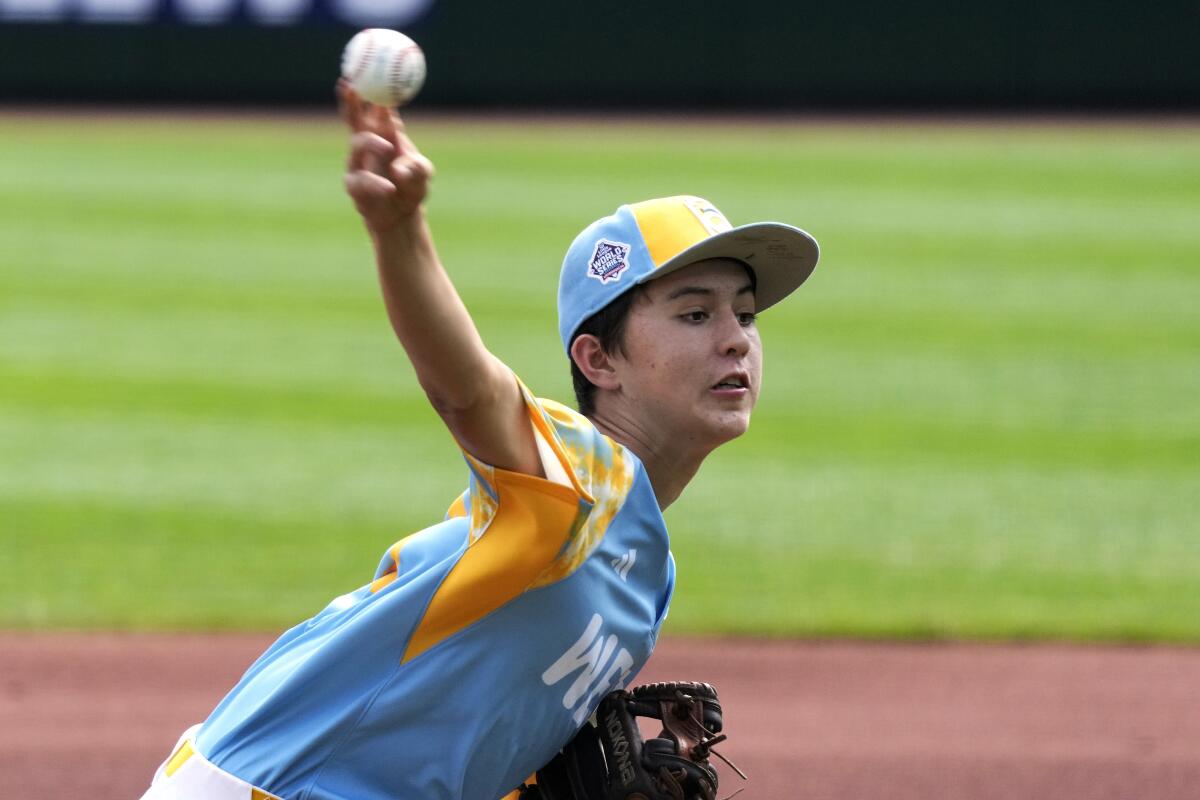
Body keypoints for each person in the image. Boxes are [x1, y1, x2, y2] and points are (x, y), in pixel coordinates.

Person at [139, 83, 819, 800]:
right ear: (599, 360)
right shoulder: (578, 480)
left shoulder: (649, 574)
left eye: (745, 315)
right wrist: (400, 229)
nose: (735, 341)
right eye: (694, 314)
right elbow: (468, 392)